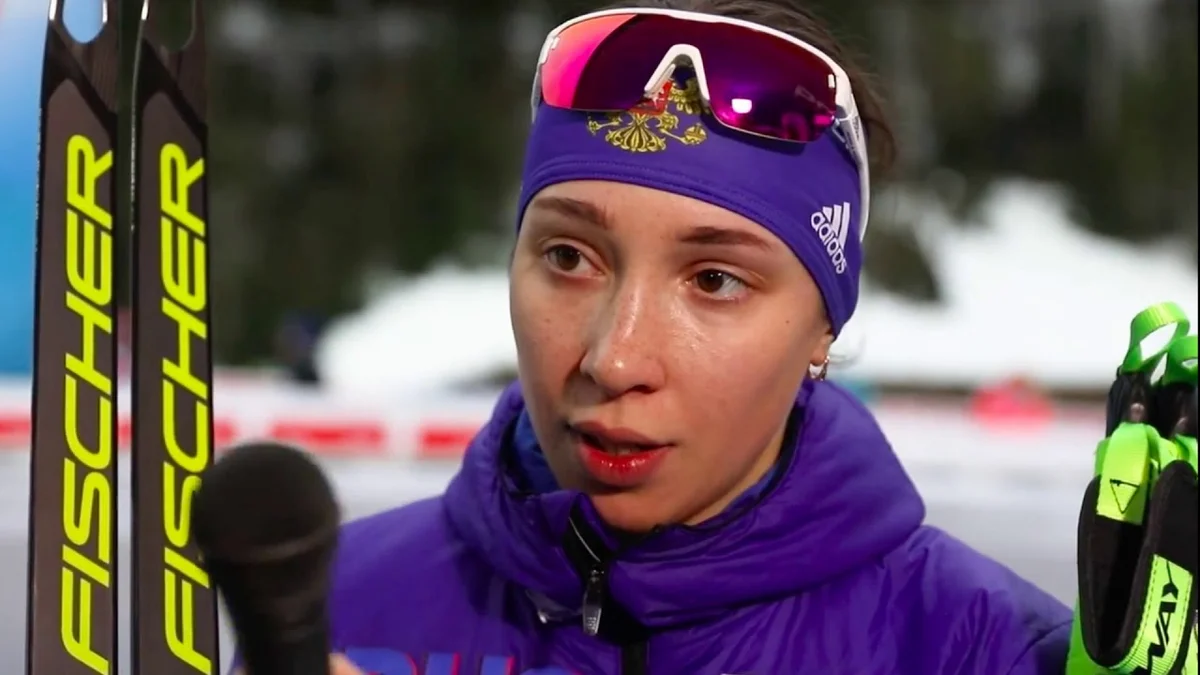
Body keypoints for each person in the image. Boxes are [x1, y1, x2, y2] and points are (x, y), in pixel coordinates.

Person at [238, 0, 1074, 672]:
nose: (615, 358)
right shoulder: (335, 607)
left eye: (714, 280)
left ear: (825, 324)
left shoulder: (988, 649)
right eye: (570, 257)